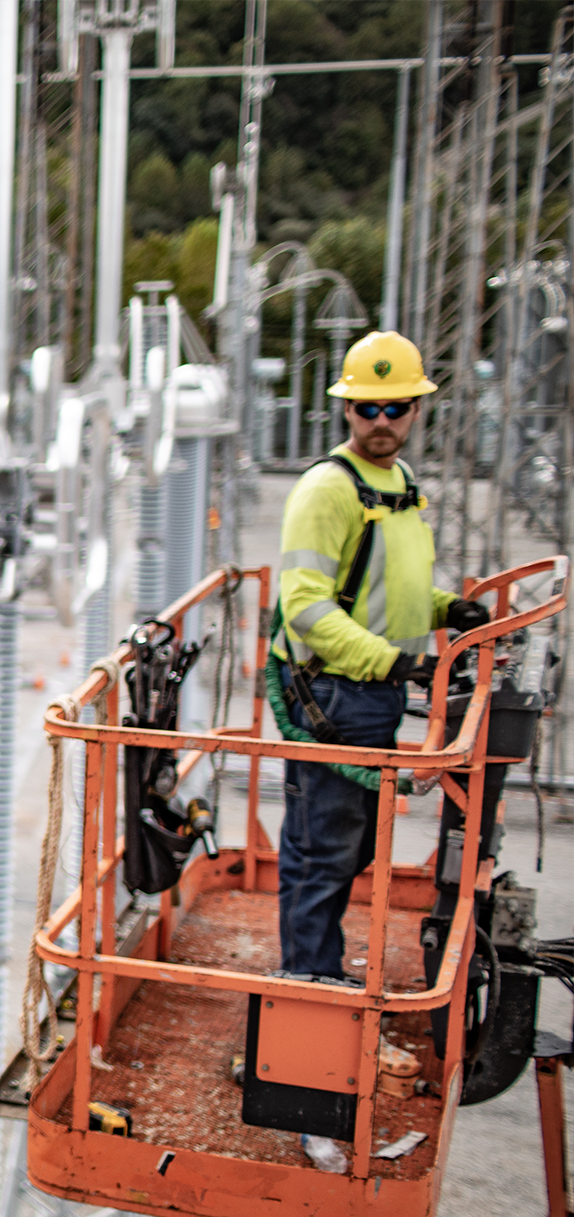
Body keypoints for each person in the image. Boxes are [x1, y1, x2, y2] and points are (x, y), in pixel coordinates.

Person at [270, 329, 490, 1173]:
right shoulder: (328, 490)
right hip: (338, 698)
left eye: (399, 406)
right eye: (370, 406)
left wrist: (444, 610)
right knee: (321, 858)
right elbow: (307, 611)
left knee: (348, 848)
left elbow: (385, 588)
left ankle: (321, 993)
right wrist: (396, 662)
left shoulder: (397, 487)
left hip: (372, 693)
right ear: (348, 408)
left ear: (416, 410)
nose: (384, 420)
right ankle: (307, 1048)